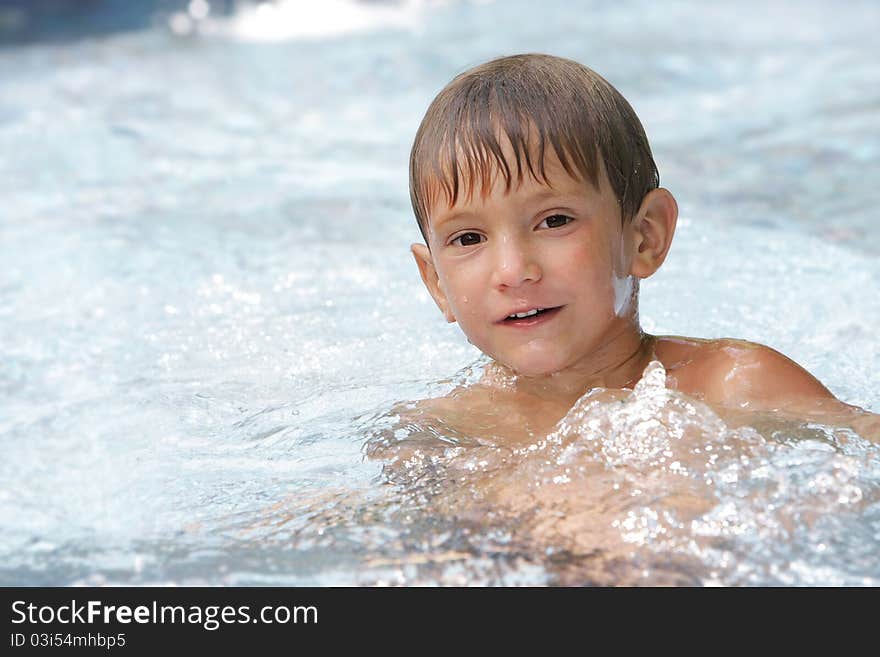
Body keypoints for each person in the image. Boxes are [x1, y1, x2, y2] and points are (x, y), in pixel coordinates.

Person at [395, 52, 878, 447]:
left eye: (555, 220)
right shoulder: (441, 433)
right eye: (469, 239)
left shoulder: (734, 386)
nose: (514, 271)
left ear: (644, 237)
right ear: (436, 281)